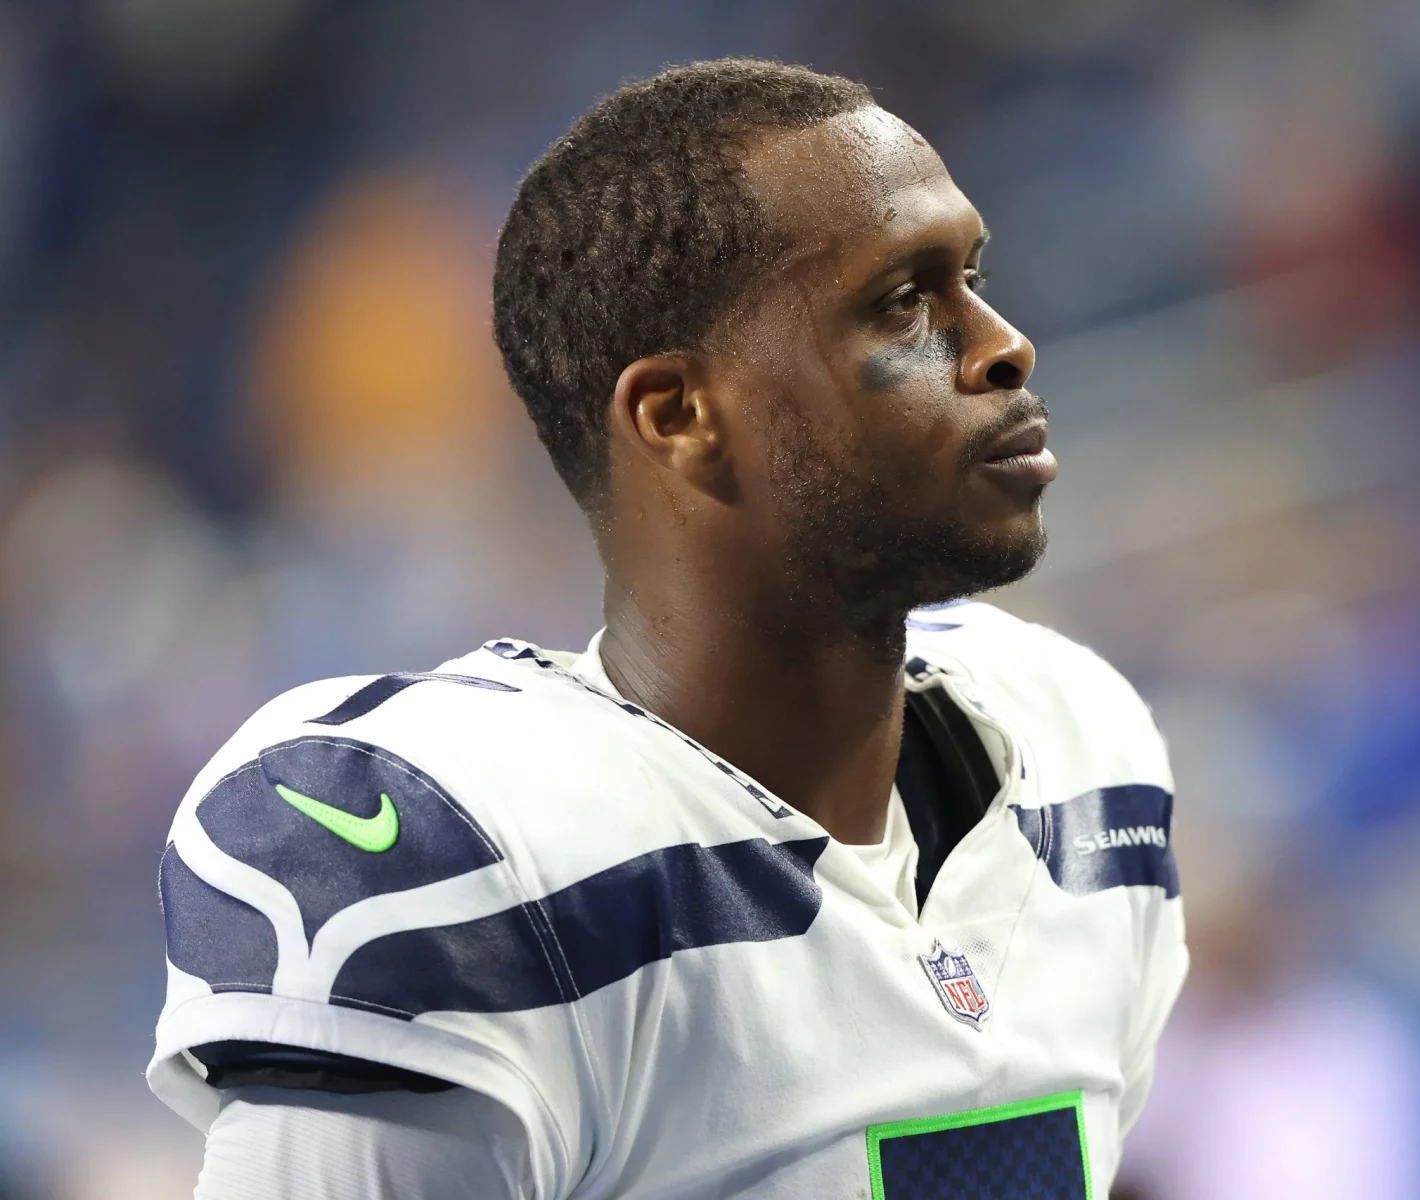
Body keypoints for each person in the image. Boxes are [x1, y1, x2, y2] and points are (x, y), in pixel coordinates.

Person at [148, 58, 1185, 1199]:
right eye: (903, 301)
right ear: (679, 416)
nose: (1001, 344)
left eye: (973, 278)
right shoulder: (458, 862)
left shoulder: (1082, 764)